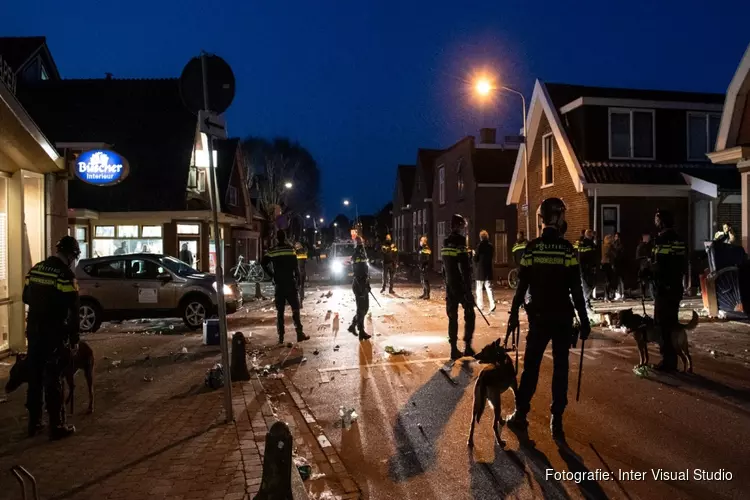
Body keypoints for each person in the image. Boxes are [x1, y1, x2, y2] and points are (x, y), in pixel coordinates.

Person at [506, 198, 590, 440]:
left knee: (531, 368)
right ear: (557, 218)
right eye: (563, 216)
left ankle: (521, 414)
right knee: (560, 368)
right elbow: (576, 289)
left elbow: (521, 287)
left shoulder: (531, 249)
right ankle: (557, 419)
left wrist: (513, 315)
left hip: (539, 318)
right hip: (562, 318)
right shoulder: (568, 251)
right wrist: (584, 321)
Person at [22, 236, 81, 440]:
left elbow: (25, 297)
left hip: (34, 330)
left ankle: (34, 422)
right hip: (53, 332)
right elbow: (73, 310)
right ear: (72, 255)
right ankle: (57, 426)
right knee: (53, 377)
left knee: (35, 376)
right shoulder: (66, 275)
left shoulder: (36, 268)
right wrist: (74, 338)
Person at [651, 209, 686, 372]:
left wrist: (647, 272)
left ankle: (668, 361)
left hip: (664, 288)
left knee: (662, 324)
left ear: (662, 221)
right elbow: (682, 264)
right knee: (671, 322)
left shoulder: (661, 239)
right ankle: (672, 360)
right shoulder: (679, 239)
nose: (655, 222)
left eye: (657, 219)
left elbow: (660, 264)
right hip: (676, 287)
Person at [261, 230, 310, 344]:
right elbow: (295, 266)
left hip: (279, 284)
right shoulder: (290, 250)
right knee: (295, 308)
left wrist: (272, 275)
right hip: (290, 283)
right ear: (285, 237)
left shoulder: (272, 251)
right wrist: (298, 279)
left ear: (277, 238)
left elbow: (263, 263)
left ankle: (281, 337)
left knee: (280, 311)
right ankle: (299, 333)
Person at [441, 214, 476, 360]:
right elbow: (464, 268)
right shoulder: (460, 242)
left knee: (452, 317)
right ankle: (467, 346)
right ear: (458, 226)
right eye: (462, 226)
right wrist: (468, 290)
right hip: (461, 286)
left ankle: (453, 349)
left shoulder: (445, 242)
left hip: (450, 285)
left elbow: (445, 267)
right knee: (470, 314)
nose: (464, 230)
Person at [347, 237, 372, 340]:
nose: (361, 244)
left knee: (365, 308)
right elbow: (358, 272)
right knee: (361, 309)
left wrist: (368, 284)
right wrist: (363, 285)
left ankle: (353, 326)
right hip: (359, 285)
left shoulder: (363, 253)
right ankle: (360, 330)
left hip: (364, 284)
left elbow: (366, 270)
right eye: (359, 242)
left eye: (362, 242)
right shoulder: (356, 254)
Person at [473, 230, 495, 312]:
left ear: (480, 237)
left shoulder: (479, 246)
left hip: (480, 270)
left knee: (479, 288)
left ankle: (480, 305)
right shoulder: (491, 246)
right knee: (489, 287)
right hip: (488, 269)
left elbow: (476, 259)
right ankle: (492, 305)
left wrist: (473, 254)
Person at [577, 229, 597, 313]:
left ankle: (586, 302)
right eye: (591, 234)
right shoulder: (582, 243)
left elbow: (594, 255)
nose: (592, 235)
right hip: (584, 269)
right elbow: (581, 256)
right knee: (586, 286)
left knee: (591, 285)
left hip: (590, 268)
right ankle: (586, 304)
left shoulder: (591, 243)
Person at [636, 233, 654, 300]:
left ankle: (652, 295)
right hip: (643, 266)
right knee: (643, 281)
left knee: (651, 281)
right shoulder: (640, 246)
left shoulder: (651, 245)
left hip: (650, 266)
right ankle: (643, 295)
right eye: (647, 237)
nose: (649, 238)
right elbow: (637, 257)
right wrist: (645, 258)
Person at [611, 232, 626, 300]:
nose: (616, 238)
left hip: (620, 264)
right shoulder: (614, 244)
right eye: (615, 236)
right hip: (616, 264)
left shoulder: (620, 245)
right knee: (617, 279)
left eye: (617, 236)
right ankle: (619, 293)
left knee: (621, 279)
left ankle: (622, 293)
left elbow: (619, 254)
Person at [600, 234, 614, 301]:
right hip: (608, 264)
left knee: (606, 281)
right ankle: (607, 296)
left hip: (603, 264)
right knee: (608, 281)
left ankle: (606, 296)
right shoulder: (609, 247)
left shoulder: (602, 246)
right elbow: (611, 255)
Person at [295, 241, 308, 308]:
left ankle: (297, 301)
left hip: (297, 273)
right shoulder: (304, 253)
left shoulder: (295, 253)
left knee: (296, 287)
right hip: (303, 273)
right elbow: (305, 261)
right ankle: (301, 301)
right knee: (302, 287)